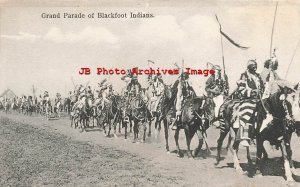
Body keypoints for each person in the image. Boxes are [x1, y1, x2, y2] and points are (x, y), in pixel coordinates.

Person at [235, 59, 264, 146]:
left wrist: (262, 90)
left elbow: (262, 86)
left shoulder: (258, 76)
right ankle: (245, 137)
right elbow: (241, 89)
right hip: (248, 99)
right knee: (248, 111)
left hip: (259, 99)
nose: (255, 68)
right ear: (249, 67)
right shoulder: (244, 75)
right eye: (253, 66)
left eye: (256, 66)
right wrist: (253, 91)